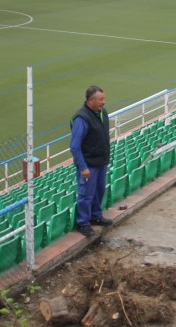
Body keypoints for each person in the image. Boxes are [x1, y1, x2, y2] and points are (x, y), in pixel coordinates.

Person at [69, 85, 113, 238]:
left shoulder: (102, 113)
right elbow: (75, 146)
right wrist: (83, 167)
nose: (104, 102)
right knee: (86, 195)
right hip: (89, 165)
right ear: (90, 100)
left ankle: (96, 215)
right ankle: (83, 223)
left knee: (99, 190)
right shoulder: (81, 119)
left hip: (101, 162)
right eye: (100, 99)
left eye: (103, 99)